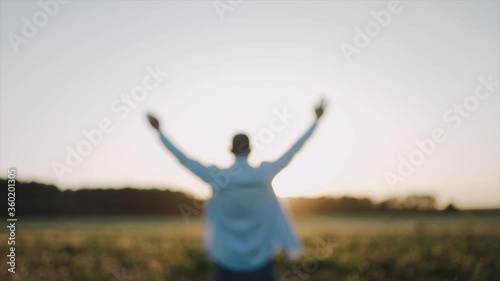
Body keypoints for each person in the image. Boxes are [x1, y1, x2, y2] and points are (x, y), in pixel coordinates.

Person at [147, 99, 327, 281]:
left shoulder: (217, 177)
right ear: (250, 150)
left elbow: (184, 159)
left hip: (226, 261)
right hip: (262, 262)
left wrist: (159, 132)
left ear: (231, 150)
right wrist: (316, 121)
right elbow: (294, 149)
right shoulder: (265, 173)